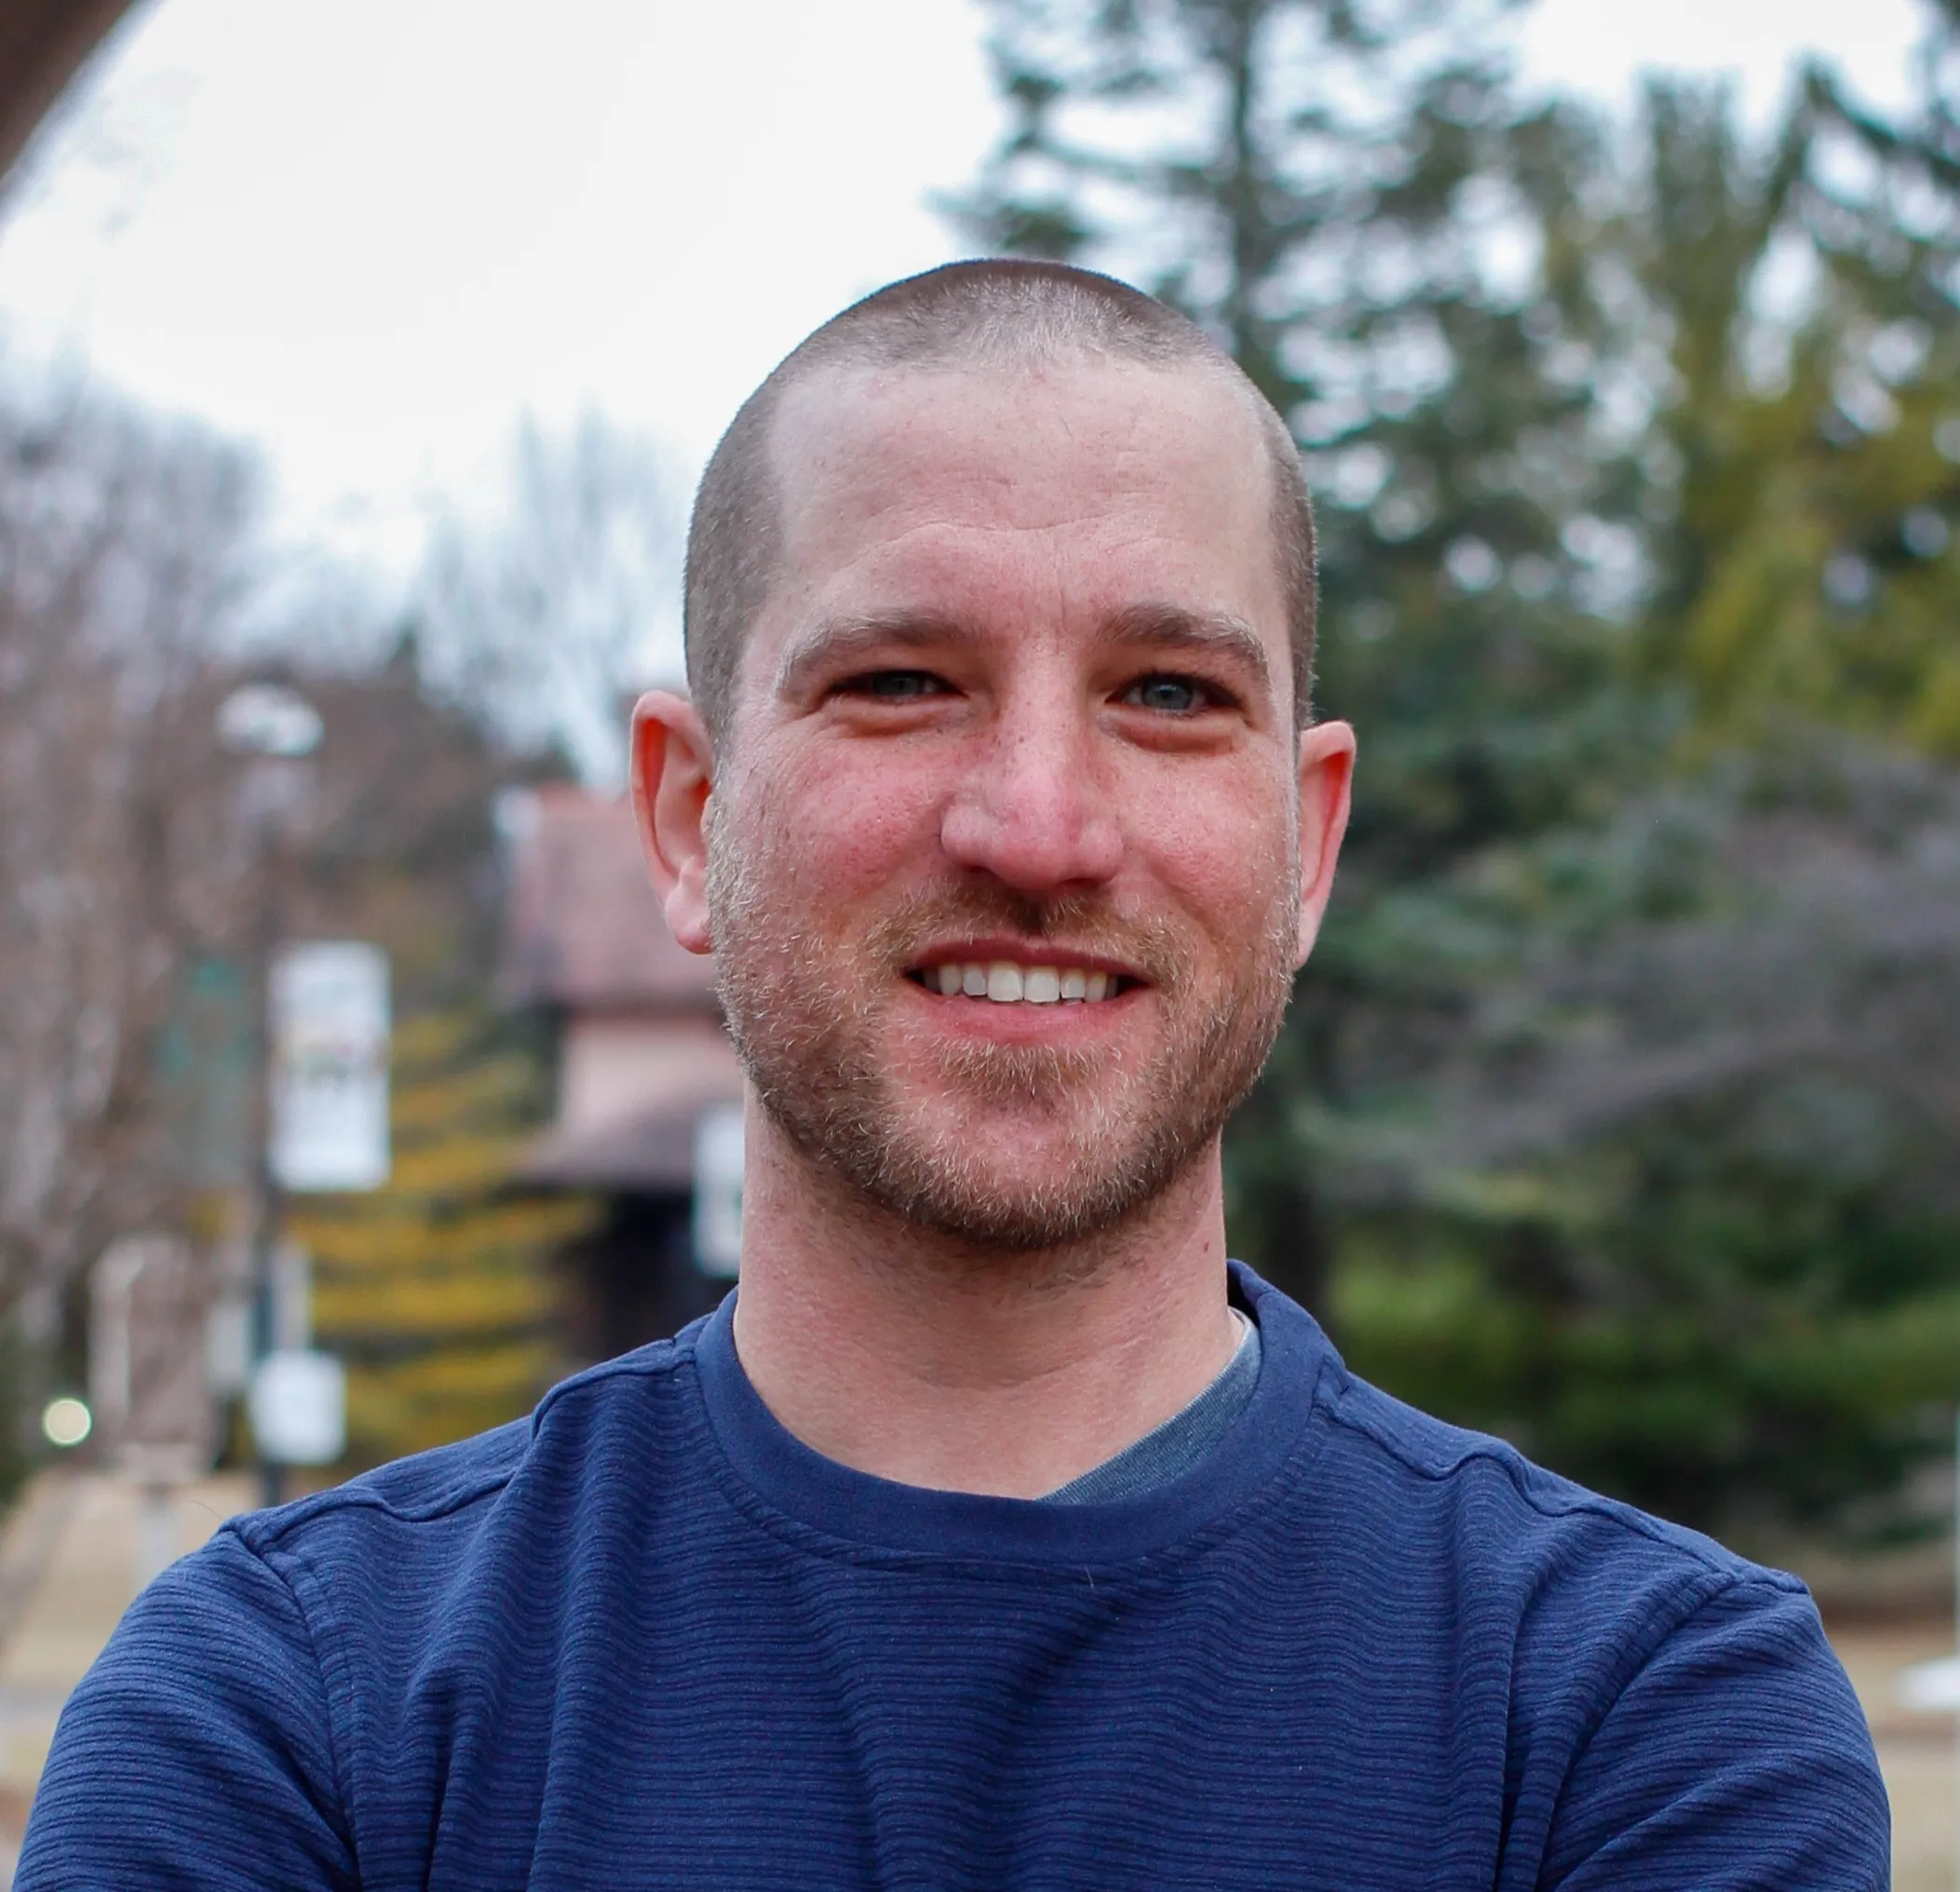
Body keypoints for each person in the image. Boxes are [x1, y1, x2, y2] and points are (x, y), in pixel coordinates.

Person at [20, 260, 1886, 1889]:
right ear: (685, 815)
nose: (1038, 826)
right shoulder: (292, 1712)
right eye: (902, 681)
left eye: (1168, 694)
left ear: (1306, 844)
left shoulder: (1641, 1721)